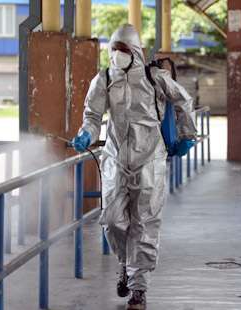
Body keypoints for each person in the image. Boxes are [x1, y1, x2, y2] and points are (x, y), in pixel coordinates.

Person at [72, 24, 196, 310]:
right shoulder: (103, 79)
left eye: (123, 50)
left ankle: (139, 288)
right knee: (112, 220)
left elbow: (184, 101)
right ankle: (124, 263)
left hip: (150, 156)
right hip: (115, 156)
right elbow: (92, 115)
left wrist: (187, 135)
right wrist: (86, 135)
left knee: (145, 222)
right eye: (113, 49)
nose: (117, 55)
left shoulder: (155, 78)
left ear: (135, 52)